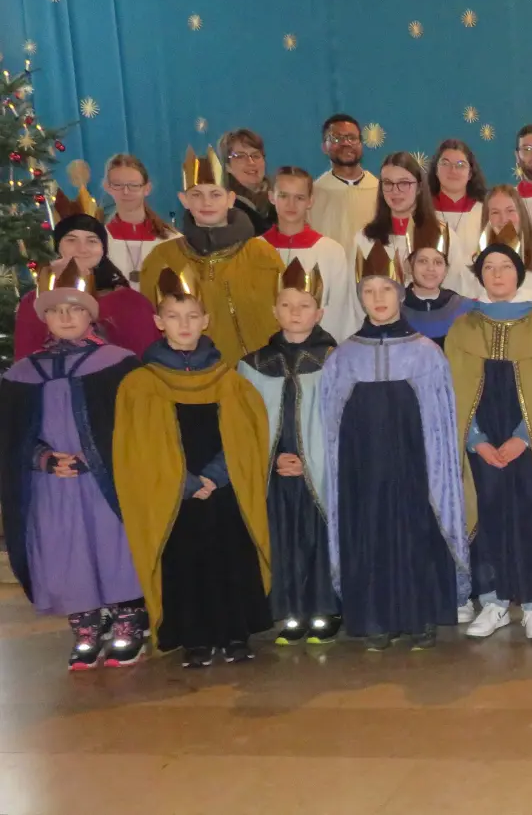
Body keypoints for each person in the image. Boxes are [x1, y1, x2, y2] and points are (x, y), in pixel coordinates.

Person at [114, 267, 273, 667]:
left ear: (206, 321)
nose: (183, 325)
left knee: (230, 558)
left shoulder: (230, 380)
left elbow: (246, 436)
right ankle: (195, 638)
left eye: (191, 317)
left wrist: (215, 476)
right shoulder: (141, 383)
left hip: (224, 487)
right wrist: (184, 481)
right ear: (158, 322)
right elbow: (138, 445)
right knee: (185, 562)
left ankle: (236, 633)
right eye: (173, 316)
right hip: (173, 492)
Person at [320, 244, 470, 651]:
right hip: (362, 467)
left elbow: (440, 421)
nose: (378, 299)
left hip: (414, 465)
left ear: (400, 294)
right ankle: (375, 619)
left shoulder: (425, 353)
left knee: (414, 531)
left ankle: (419, 616)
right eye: (368, 292)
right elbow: (330, 421)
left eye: (386, 290)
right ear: (359, 298)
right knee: (368, 532)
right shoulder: (344, 355)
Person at [0, 261, 146, 669]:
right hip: (52, 486)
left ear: (90, 314)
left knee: (114, 544)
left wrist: (96, 454)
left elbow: (137, 426)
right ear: (44, 316)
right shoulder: (20, 375)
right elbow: (10, 439)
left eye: (75, 308)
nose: (66, 317)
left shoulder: (119, 365)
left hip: (105, 480)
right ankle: (85, 625)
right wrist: (43, 459)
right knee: (66, 550)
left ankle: (127, 620)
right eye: (56, 309)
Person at [446, 240, 532, 641]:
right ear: (479, 277)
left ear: (518, 274)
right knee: (487, 515)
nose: (496, 274)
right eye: (488, 267)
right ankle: (492, 603)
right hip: (483, 443)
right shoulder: (463, 328)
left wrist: (525, 438)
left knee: (531, 516)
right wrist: (475, 440)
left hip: (530, 444)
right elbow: (454, 392)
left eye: (504, 266)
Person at [237, 259, 341, 646]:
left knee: (318, 536)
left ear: (320, 312)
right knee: (284, 538)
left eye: (304, 306)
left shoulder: (336, 360)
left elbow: (342, 419)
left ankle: (325, 608)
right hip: (277, 469)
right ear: (274, 311)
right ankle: (290, 611)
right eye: (287, 305)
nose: (295, 313)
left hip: (321, 468)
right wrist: (276, 457)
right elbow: (248, 424)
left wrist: (313, 459)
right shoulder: (253, 366)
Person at [138, 146, 284, 363]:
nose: (206, 203)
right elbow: (152, 322)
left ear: (231, 199)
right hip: (196, 373)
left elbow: (284, 310)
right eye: (196, 195)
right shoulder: (163, 258)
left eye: (215, 194)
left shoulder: (261, 254)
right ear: (184, 200)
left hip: (261, 369)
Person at [14, 190, 159, 360]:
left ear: (103, 249)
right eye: (71, 240)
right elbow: (25, 366)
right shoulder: (35, 302)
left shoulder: (133, 302)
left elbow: (149, 364)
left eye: (92, 240)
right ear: (58, 247)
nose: (82, 249)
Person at [260, 166, 357, 340]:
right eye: (283, 196)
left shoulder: (331, 251)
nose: (291, 205)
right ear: (271, 197)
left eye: (299, 197)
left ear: (310, 201)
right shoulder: (255, 249)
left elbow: (338, 311)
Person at [355, 151, 469, 293]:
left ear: (419, 187)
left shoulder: (444, 237)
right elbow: (355, 297)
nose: (395, 191)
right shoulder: (365, 238)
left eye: (404, 183)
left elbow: (457, 292)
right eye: (388, 183)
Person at [463, 185, 532, 331]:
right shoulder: (473, 264)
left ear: (521, 214)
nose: (503, 219)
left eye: (510, 211)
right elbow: (467, 319)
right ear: (486, 219)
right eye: (495, 212)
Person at [100, 153, 179, 290]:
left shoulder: (172, 241)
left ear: (147, 188)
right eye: (118, 185)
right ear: (108, 187)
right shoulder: (98, 242)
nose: (126, 192)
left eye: (134, 185)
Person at [401, 212, 473, 347]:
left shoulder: (462, 308)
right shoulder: (396, 309)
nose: (430, 268)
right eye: (422, 261)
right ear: (410, 266)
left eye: (438, 262)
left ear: (446, 270)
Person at [309, 113, 380, 247]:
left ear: (361, 144)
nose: (346, 143)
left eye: (352, 138)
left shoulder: (381, 191)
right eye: (336, 138)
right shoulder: (312, 195)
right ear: (324, 146)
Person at [220, 128, 275, 235]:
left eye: (256, 155)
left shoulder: (280, 200)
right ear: (227, 166)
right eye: (240, 156)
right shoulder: (223, 208)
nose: (251, 162)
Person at [430, 138, 486, 240]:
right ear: (436, 170)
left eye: (461, 165)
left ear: (470, 173)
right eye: (445, 163)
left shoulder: (484, 211)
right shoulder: (424, 210)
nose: (453, 170)